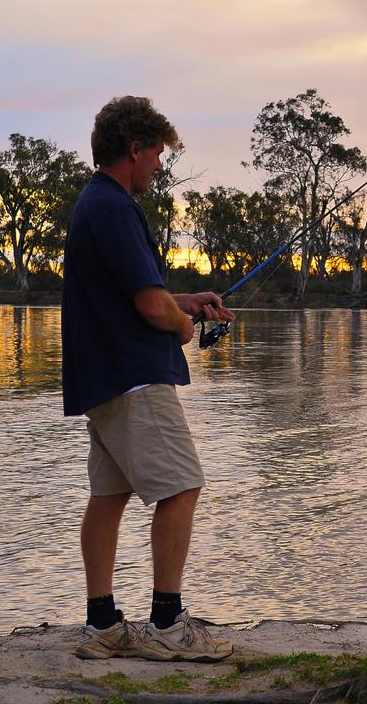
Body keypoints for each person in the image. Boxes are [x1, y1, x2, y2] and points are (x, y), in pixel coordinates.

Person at [61, 95, 236, 662]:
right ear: (133, 149)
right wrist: (182, 323)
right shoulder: (114, 208)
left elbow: (138, 294)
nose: (160, 166)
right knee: (182, 486)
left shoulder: (95, 203)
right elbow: (150, 309)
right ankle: (166, 622)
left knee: (108, 497)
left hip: (103, 377)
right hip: (133, 377)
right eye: (157, 154)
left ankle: (103, 624)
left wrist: (184, 300)